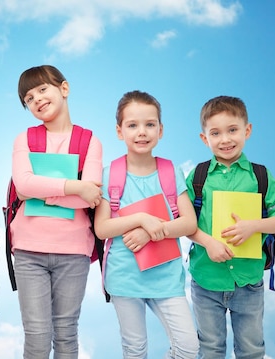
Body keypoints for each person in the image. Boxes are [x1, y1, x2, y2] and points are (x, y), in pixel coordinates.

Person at [94, 90, 200, 359]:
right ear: (119, 131)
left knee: (188, 348)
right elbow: (102, 228)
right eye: (132, 125)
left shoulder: (170, 171)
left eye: (149, 124)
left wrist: (151, 232)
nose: (142, 132)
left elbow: (189, 223)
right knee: (135, 349)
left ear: (161, 130)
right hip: (124, 277)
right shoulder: (110, 174)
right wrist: (141, 219)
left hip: (166, 277)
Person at [185, 95, 275, 359]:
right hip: (206, 279)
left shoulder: (261, 176)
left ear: (247, 130)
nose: (225, 139)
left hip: (249, 281)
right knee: (209, 349)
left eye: (232, 130)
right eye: (216, 133)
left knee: (251, 349)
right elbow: (184, 223)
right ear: (204, 138)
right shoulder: (197, 177)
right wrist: (208, 242)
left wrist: (254, 226)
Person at [10, 65, 103, 358]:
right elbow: (22, 184)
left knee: (66, 333)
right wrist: (73, 187)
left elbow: (91, 197)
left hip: (73, 252)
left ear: (64, 88)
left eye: (42, 89)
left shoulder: (90, 141)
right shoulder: (25, 139)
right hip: (28, 250)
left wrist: (43, 194)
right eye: (28, 98)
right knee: (36, 336)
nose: (36, 99)